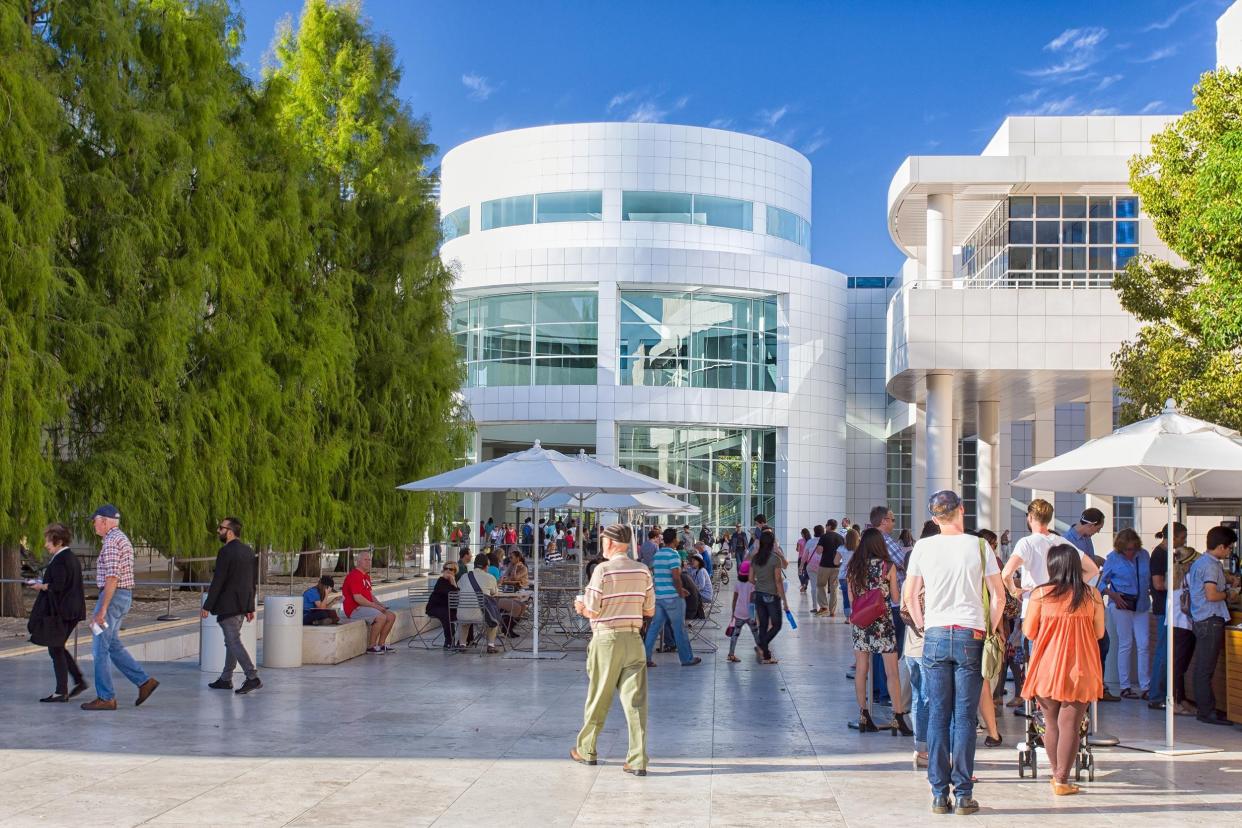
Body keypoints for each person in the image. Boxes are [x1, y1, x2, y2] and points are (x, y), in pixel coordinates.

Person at [905, 491, 1004, 816]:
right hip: (969, 634)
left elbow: (910, 594)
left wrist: (922, 625)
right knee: (963, 717)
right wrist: (988, 627)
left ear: (935, 517)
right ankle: (962, 793)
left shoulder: (923, 546)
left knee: (937, 714)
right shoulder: (979, 546)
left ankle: (938, 794)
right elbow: (999, 596)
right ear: (961, 510)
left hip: (934, 634)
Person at [572, 524, 656, 776]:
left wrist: (580, 607)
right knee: (636, 702)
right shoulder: (642, 571)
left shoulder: (603, 570)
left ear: (609, 543)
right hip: (634, 639)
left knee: (599, 695)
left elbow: (593, 609)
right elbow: (649, 610)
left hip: (607, 638)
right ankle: (638, 758)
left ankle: (587, 749)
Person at [1022, 543, 1106, 796]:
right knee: (1070, 724)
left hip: (1046, 664)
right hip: (1080, 667)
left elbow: (1028, 631)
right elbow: (1099, 632)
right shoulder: (1092, 596)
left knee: (1051, 723)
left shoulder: (1040, 594)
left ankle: (1056, 773)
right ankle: (1062, 779)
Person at [80, 505, 158, 711]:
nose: (93, 524)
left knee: (99, 649)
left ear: (105, 521)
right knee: (112, 644)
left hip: (113, 598)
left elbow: (112, 577)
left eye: (95, 520)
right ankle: (144, 682)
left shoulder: (112, 542)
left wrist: (101, 609)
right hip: (122, 597)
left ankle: (106, 697)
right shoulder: (120, 539)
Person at [848, 527, 910, 734]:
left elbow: (851, 600)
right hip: (882, 623)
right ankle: (898, 717)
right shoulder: (888, 566)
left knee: (861, 670)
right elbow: (894, 598)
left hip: (861, 624)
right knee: (891, 671)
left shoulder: (853, 567)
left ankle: (864, 715)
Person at [26, 523, 87, 703]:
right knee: (57, 646)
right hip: (70, 610)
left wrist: (40, 586)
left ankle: (62, 691)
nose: (46, 544)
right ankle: (77, 681)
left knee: (55, 648)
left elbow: (58, 586)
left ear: (58, 541)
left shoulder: (62, 559)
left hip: (65, 612)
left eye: (48, 541)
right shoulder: (68, 557)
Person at [1187, 525, 1240, 726]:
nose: (1230, 552)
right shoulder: (1210, 566)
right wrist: (1230, 594)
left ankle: (1206, 708)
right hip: (1210, 619)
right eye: (1229, 548)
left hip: (1201, 619)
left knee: (1203, 667)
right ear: (1221, 546)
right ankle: (1206, 711)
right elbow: (1211, 595)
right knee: (1205, 668)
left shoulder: (1200, 562)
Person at [201, 517, 261, 694]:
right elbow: (252, 582)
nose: (218, 531)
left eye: (221, 528)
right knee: (231, 642)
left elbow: (218, 581)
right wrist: (250, 607)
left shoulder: (225, 552)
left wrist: (207, 605)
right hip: (242, 605)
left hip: (228, 605)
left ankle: (252, 677)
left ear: (230, 531)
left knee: (233, 641)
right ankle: (226, 679)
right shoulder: (249, 551)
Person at [1099, 528, 1152, 699]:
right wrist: (1112, 594)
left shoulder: (1144, 555)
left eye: (1133, 549)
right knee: (1125, 643)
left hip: (1141, 604)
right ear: (1120, 548)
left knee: (1144, 644)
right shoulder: (1112, 558)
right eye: (1127, 550)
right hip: (1121, 604)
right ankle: (1125, 686)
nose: (1130, 553)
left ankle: (1145, 686)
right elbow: (1100, 583)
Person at [644, 527, 700, 667]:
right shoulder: (674, 555)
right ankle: (686, 658)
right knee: (679, 628)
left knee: (653, 628)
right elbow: (675, 576)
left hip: (660, 597)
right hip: (673, 598)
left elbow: (657, 573)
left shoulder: (657, 555)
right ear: (674, 540)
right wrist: (680, 591)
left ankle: (645, 657)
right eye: (677, 538)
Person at [1148, 522, 1188, 710]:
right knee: (1163, 653)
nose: (1184, 541)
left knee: (1165, 652)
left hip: (1168, 607)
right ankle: (1156, 695)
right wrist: (1178, 583)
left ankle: (1159, 693)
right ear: (1173, 536)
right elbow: (1158, 584)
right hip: (1164, 607)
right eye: (1182, 537)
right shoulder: (1159, 554)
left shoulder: (1168, 554)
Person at [901, 543, 929, 769]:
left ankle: (920, 747)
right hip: (927, 648)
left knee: (919, 698)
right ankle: (927, 748)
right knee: (930, 698)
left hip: (911, 648)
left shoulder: (907, 585)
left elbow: (903, 609)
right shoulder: (930, 585)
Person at [343, 551, 397, 654]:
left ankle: (381, 645)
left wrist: (380, 604)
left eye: (369, 560)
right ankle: (371, 646)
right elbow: (358, 598)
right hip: (355, 609)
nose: (368, 562)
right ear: (358, 561)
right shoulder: (354, 575)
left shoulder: (366, 576)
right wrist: (376, 607)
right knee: (381, 617)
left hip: (366, 607)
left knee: (391, 616)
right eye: (365, 560)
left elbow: (370, 595)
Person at [750, 530, 789, 665]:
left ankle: (766, 656)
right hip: (772, 596)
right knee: (777, 625)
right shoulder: (775, 559)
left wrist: (760, 584)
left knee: (763, 625)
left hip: (759, 595)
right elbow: (778, 581)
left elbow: (750, 579)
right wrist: (785, 601)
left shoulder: (755, 558)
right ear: (772, 543)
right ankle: (761, 646)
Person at [459, 555, 502, 654]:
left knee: (465, 619)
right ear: (486, 566)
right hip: (481, 616)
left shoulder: (464, 576)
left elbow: (459, 587)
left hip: (461, 615)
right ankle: (490, 645)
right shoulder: (490, 578)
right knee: (493, 616)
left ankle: (462, 644)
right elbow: (494, 593)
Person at [726, 561, 760, 663]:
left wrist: (733, 614)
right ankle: (760, 648)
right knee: (755, 633)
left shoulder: (737, 584)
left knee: (735, 634)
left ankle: (731, 654)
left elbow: (734, 600)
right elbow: (752, 602)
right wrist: (754, 617)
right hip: (749, 614)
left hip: (738, 613)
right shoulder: (752, 585)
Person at [426, 563, 461, 650]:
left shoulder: (455, 581)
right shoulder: (441, 581)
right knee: (447, 614)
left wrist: (453, 582)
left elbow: (458, 596)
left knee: (465, 614)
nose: (448, 571)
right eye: (446, 569)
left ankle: (465, 641)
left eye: (451, 569)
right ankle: (449, 641)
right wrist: (454, 585)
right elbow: (450, 594)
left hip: (448, 608)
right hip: (435, 608)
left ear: (455, 572)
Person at [498, 547, 530, 638]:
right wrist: (511, 570)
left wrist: (515, 568)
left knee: (522, 607)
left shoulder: (523, 568)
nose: (510, 559)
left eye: (512, 557)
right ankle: (507, 628)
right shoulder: (510, 565)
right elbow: (505, 577)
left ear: (517, 558)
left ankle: (508, 627)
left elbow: (515, 578)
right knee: (517, 607)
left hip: (521, 591)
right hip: (510, 591)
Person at [816, 520, 842, 617]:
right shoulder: (840, 538)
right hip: (837, 566)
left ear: (829, 526)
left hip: (825, 566)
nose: (825, 527)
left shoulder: (824, 537)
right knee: (834, 588)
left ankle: (824, 607)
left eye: (826, 525)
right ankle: (832, 611)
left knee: (821, 585)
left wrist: (818, 546)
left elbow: (819, 551)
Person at [838, 526, 860, 621]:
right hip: (856, 575)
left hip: (843, 575)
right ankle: (856, 614)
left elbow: (835, 561)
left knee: (846, 596)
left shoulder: (841, 548)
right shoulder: (860, 549)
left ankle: (848, 618)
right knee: (856, 595)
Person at [796, 527, 813, 593]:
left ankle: (803, 584)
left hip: (801, 558)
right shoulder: (810, 540)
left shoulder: (800, 541)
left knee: (800, 572)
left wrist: (799, 547)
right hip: (808, 559)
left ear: (803, 534)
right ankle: (805, 585)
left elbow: (797, 550)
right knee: (806, 573)